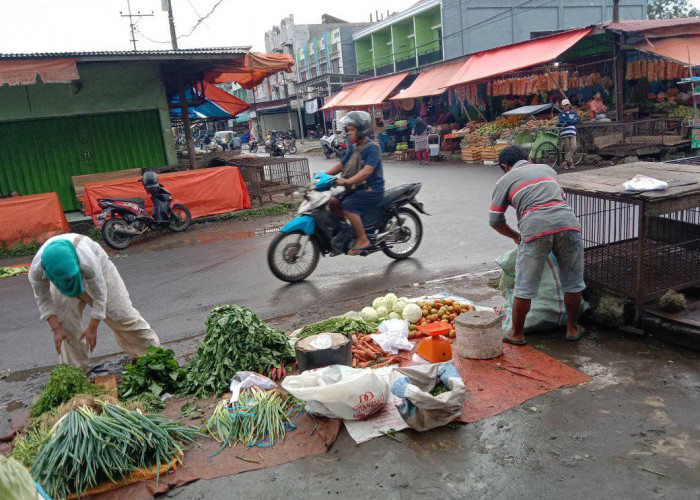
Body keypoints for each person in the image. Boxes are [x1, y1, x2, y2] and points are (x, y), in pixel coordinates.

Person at [489, 145, 585, 345]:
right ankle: (572, 328)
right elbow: (560, 198)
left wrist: (516, 236)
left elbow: (495, 221)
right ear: (527, 159)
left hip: (536, 228)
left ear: (505, 166)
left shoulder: (505, 179)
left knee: (525, 285)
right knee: (573, 282)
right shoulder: (548, 170)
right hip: (569, 223)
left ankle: (516, 333)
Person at [28, 233, 160, 372]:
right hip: (60, 275)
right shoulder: (37, 271)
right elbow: (43, 299)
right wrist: (56, 329)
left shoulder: (87, 261)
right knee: (64, 323)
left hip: (95, 270)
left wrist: (93, 326)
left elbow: (100, 293)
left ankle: (154, 358)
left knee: (120, 314)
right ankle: (76, 372)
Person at [324, 110, 384, 255]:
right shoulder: (354, 147)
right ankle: (347, 231)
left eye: (351, 130)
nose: (348, 133)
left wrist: (347, 181)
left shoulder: (372, 148)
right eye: (347, 130)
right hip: (357, 188)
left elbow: (367, 171)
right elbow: (341, 165)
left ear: (362, 130)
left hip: (372, 190)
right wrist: (322, 177)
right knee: (332, 201)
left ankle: (363, 239)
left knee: (348, 205)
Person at [557, 99, 580, 170]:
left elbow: (576, 120)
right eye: (565, 106)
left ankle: (565, 161)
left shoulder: (573, 113)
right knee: (567, 148)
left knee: (574, 146)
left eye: (567, 105)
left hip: (572, 132)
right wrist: (570, 121)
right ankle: (570, 163)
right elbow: (561, 121)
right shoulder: (561, 114)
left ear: (569, 105)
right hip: (564, 132)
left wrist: (568, 121)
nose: (566, 107)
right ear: (563, 106)